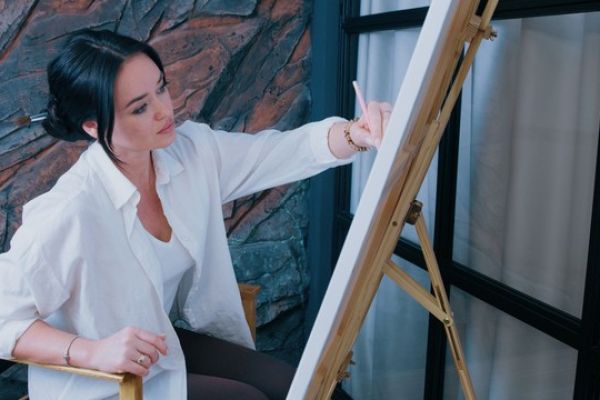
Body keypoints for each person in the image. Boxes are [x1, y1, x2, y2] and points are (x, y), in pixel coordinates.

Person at [0, 29, 391, 400]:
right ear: (93, 125)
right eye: (140, 108)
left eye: (161, 88)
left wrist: (356, 134)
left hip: (158, 349)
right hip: (96, 381)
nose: (163, 111)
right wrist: (91, 351)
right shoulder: (70, 210)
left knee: (302, 388)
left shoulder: (189, 153)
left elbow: (280, 153)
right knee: (247, 399)